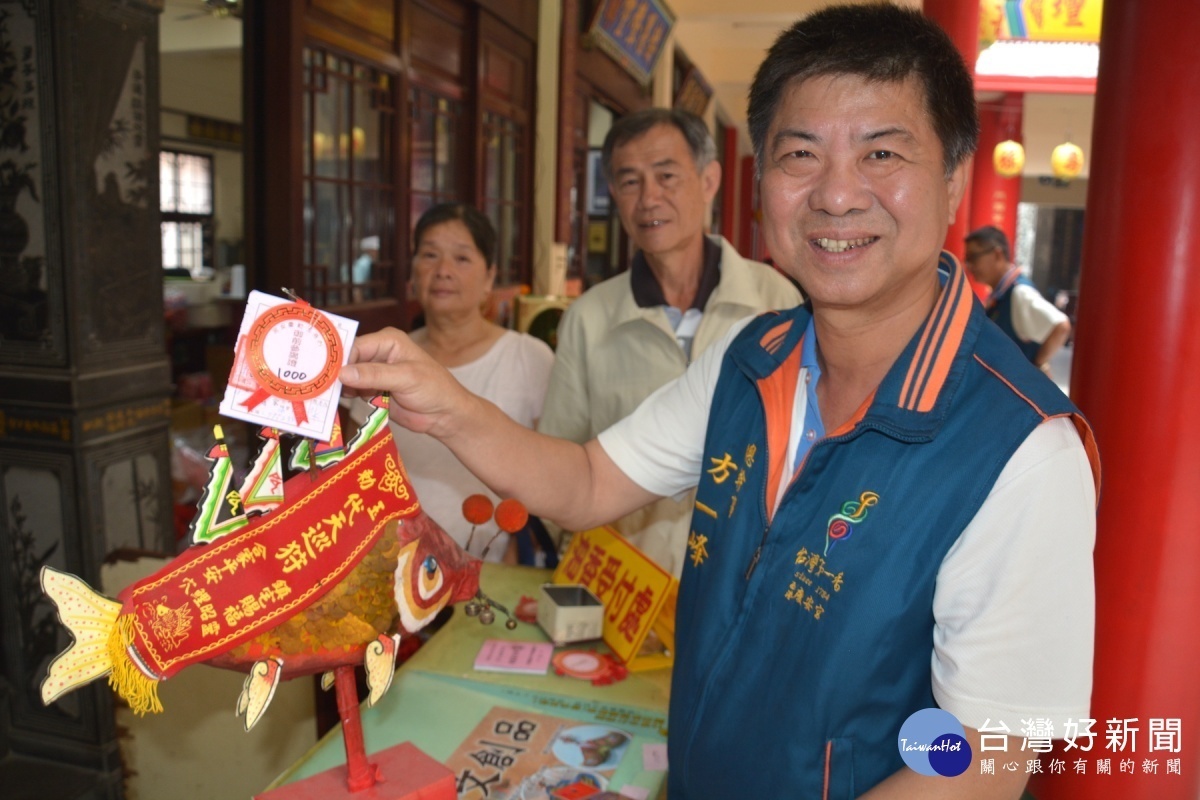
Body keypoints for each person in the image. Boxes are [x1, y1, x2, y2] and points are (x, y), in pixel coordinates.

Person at [340, 5, 1100, 797]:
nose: (837, 195)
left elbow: (988, 760)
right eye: (801, 154)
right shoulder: (751, 361)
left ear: (952, 183)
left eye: (882, 153)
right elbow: (589, 482)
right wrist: (446, 404)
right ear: (762, 180)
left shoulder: (1022, 449)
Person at [538, 108, 801, 576]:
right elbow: (559, 455)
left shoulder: (775, 302)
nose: (649, 199)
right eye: (630, 181)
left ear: (708, 180)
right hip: (627, 591)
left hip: (745, 584)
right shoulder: (590, 318)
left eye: (666, 176)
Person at [355, 204, 554, 563]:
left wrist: (521, 543)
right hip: (392, 565)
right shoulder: (385, 358)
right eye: (430, 255)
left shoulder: (529, 358)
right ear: (413, 271)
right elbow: (358, 471)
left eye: (462, 259)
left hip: (494, 565)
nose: (443, 271)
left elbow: (553, 467)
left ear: (490, 278)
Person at [965, 225, 1072, 371]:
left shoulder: (1019, 293)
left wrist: (1037, 364)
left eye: (973, 257)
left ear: (997, 254)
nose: (969, 265)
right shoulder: (1001, 294)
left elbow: (1061, 326)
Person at [351, 235, 379, 302]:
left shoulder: (372, 262)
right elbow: (357, 288)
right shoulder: (362, 264)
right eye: (376, 250)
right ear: (369, 250)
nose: (377, 253)